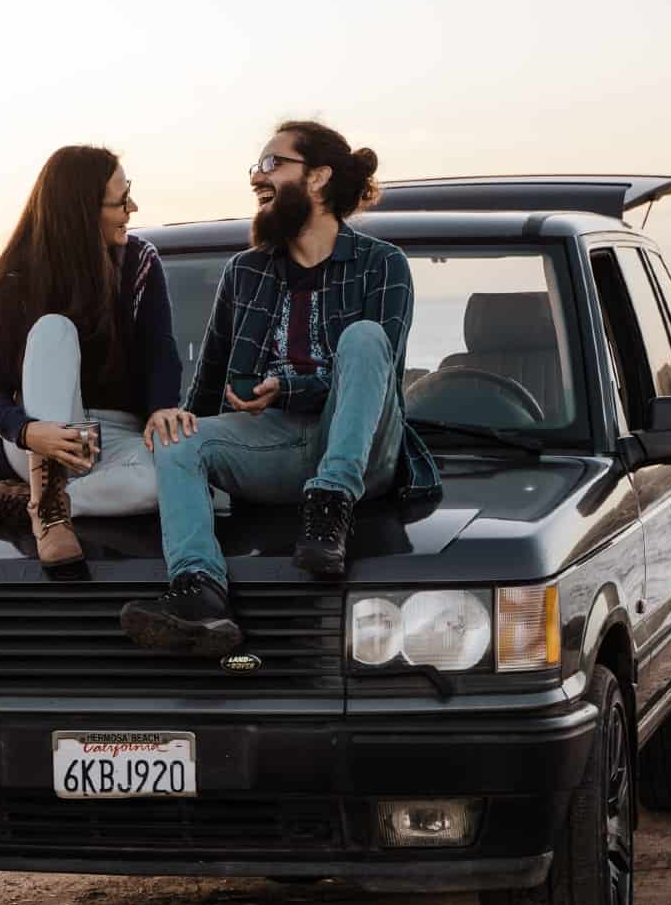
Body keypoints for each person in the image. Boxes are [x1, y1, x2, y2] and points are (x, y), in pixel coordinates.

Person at [120, 120, 441, 653]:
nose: (257, 178)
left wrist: (288, 387)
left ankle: (330, 508)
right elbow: (210, 377)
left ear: (318, 178)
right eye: (257, 167)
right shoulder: (244, 271)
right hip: (273, 443)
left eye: (272, 164)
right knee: (179, 438)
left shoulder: (383, 265)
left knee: (363, 339)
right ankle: (199, 593)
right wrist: (183, 430)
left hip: (363, 450)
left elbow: (373, 379)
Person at [0, 145, 186, 576]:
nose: (133, 207)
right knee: (54, 329)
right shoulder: (17, 278)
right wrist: (29, 430)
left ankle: (25, 502)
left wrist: (162, 409)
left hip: (115, 440)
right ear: (81, 209)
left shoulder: (140, 263)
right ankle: (51, 513)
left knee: (170, 483)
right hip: (35, 443)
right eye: (121, 197)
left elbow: (161, 353)